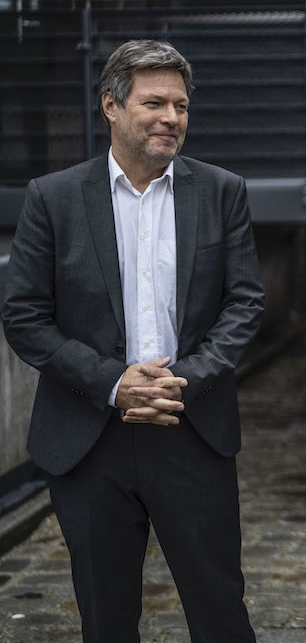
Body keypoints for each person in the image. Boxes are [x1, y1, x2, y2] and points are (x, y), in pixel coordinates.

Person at [1, 39, 264, 642]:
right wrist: (112, 383)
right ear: (111, 106)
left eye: (180, 105)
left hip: (191, 429)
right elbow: (24, 315)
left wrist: (186, 380)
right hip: (90, 439)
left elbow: (245, 302)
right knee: (107, 616)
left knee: (221, 610)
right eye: (153, 103)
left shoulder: (223, 191)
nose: (171, 117)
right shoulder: (53, 197)